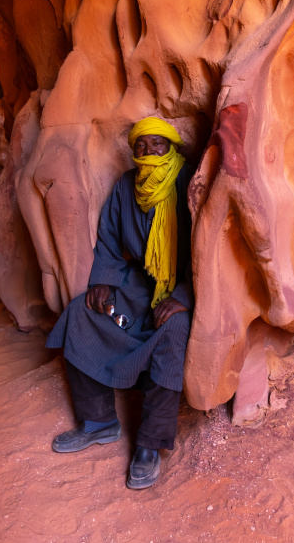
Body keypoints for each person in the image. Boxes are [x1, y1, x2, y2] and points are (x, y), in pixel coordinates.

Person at [46, 117, 194, 489]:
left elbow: (210, 254)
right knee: (81, 312)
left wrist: (183, 298)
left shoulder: (189, 183)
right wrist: (103, 282)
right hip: (138, 288)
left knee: (174, 331)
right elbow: (110, 240)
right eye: (141, 146)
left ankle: (148, 445)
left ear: (172, 148)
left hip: (182, 289)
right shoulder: (126, 186)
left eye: (158, 145)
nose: (148, 152)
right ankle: (98, 422)